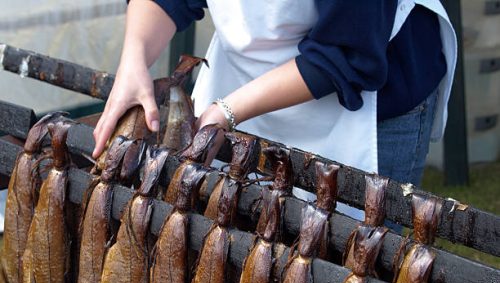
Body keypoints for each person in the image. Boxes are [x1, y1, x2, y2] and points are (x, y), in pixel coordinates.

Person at [92, 0, 456, 221]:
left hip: (369, 97)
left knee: (346, 278)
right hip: (244, 73)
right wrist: (134, 56)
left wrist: (228, 110)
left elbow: (346, 53)